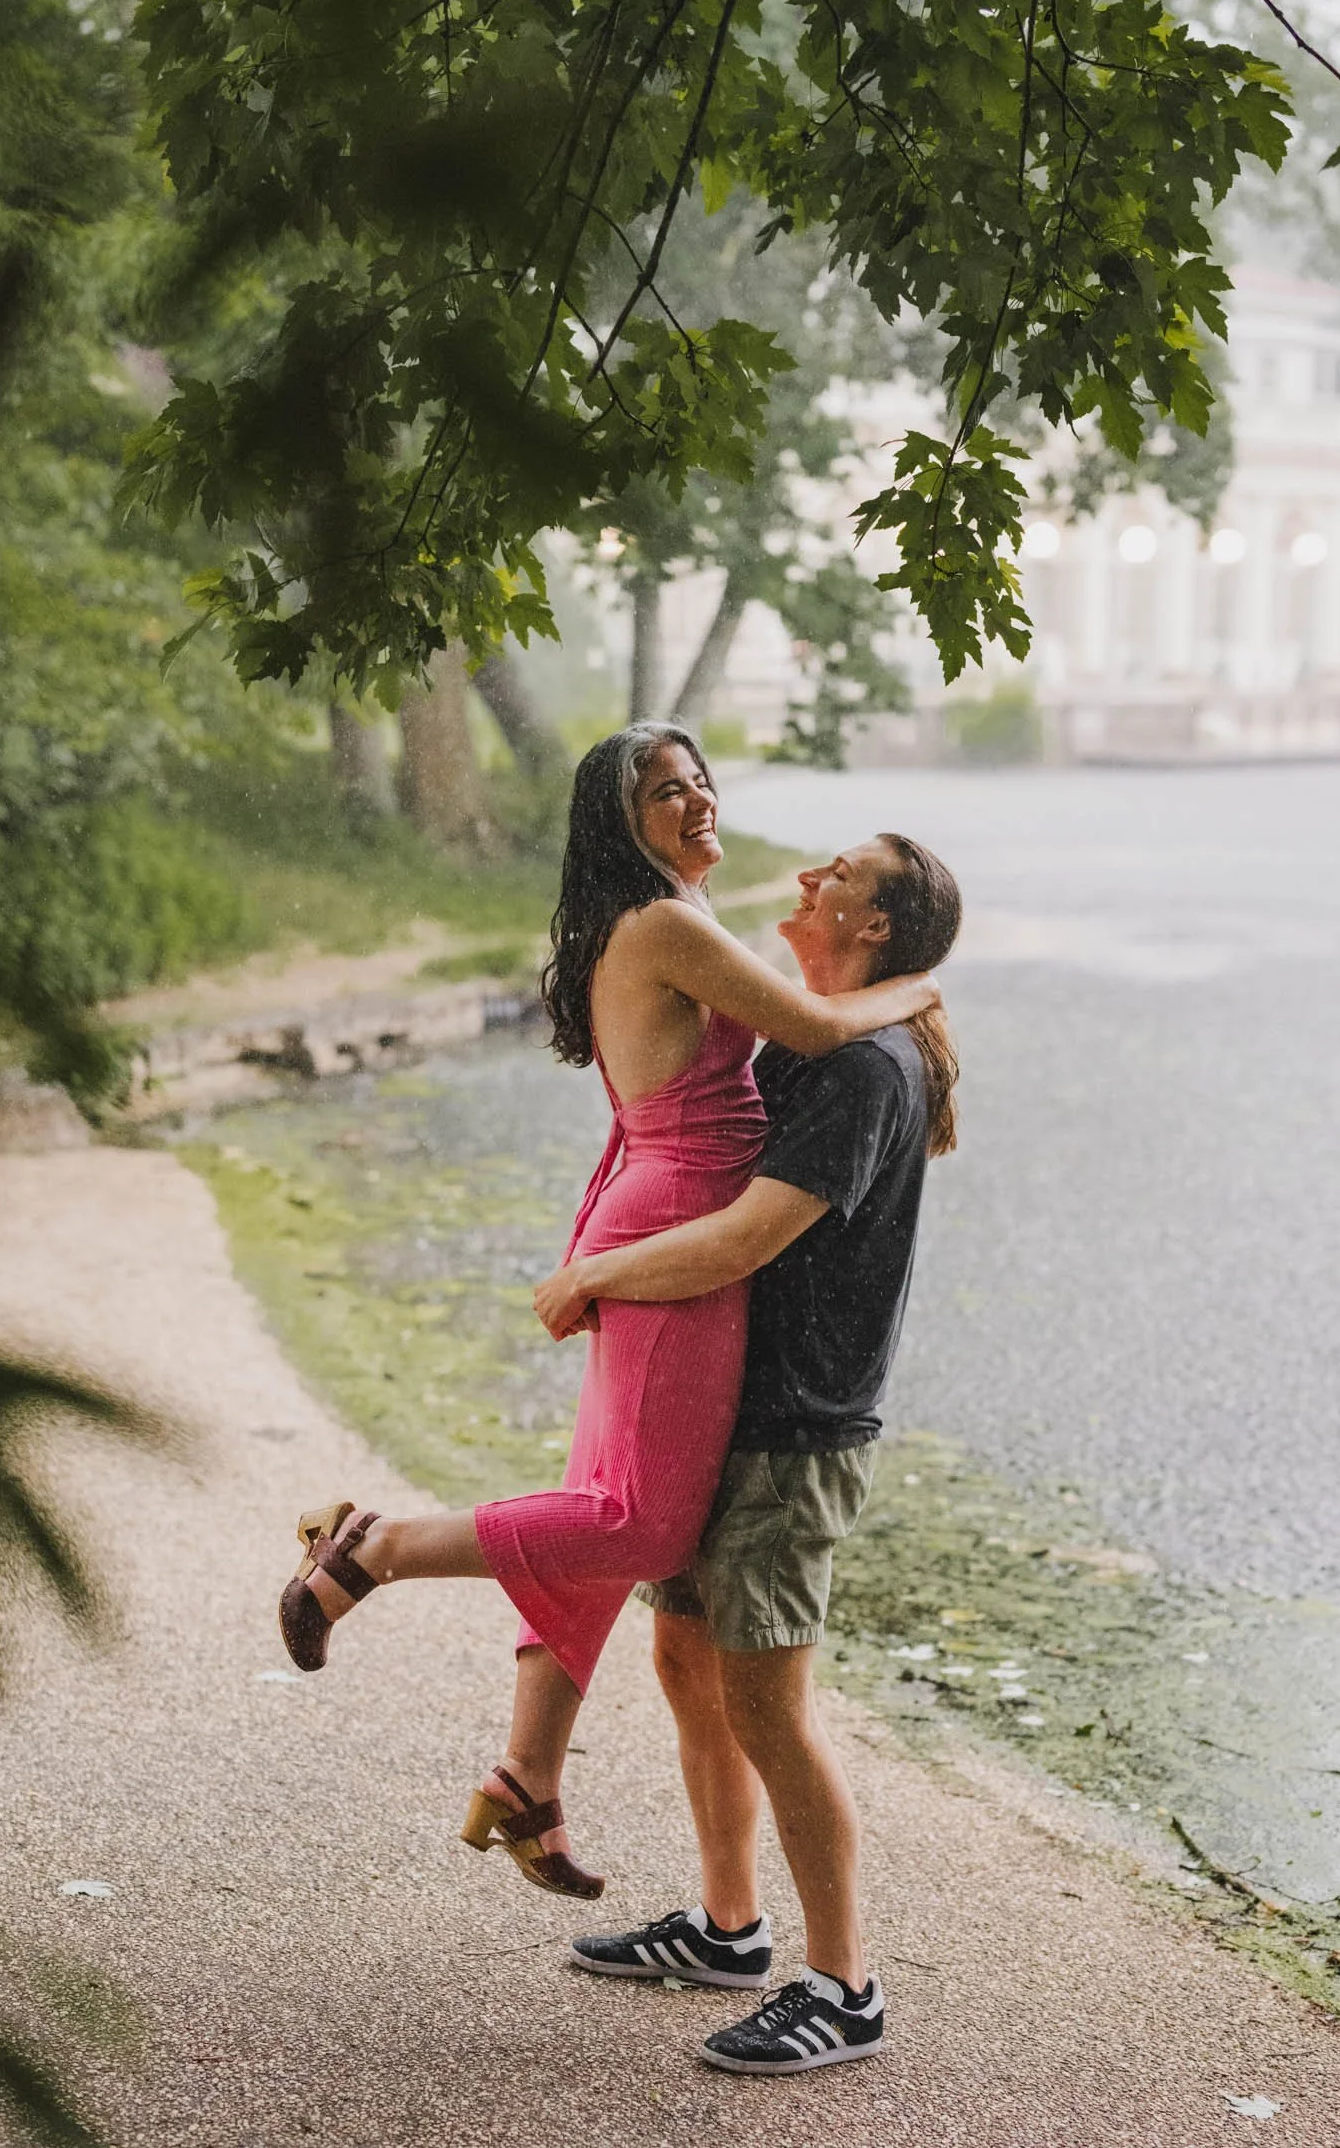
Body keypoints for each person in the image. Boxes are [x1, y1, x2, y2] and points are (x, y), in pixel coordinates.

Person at [277, 723, 938, 1902]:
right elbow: (815, 1026)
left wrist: (598, 1243)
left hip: (648, 1202)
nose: (694, 799)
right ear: (617, 824)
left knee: (601, 1499)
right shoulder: (670, 924)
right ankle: (372, 1547)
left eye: (697, 780)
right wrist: (915, 986)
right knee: (632, 1524)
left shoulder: (659, 922)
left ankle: (528, 1775)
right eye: (663, 791)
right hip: (682, 1223)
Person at [531, 831, 961, 2074]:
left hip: (796, 1430)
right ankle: (729, 1928)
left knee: (770, 1705)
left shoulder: (863, 1069)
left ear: (874, 925)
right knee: (685, 1658)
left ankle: (846, 1987)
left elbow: (744, 1238)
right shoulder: (810, 1035)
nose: (812, 872)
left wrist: (594, 1276)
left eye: (842, 871)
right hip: (724, 1411)